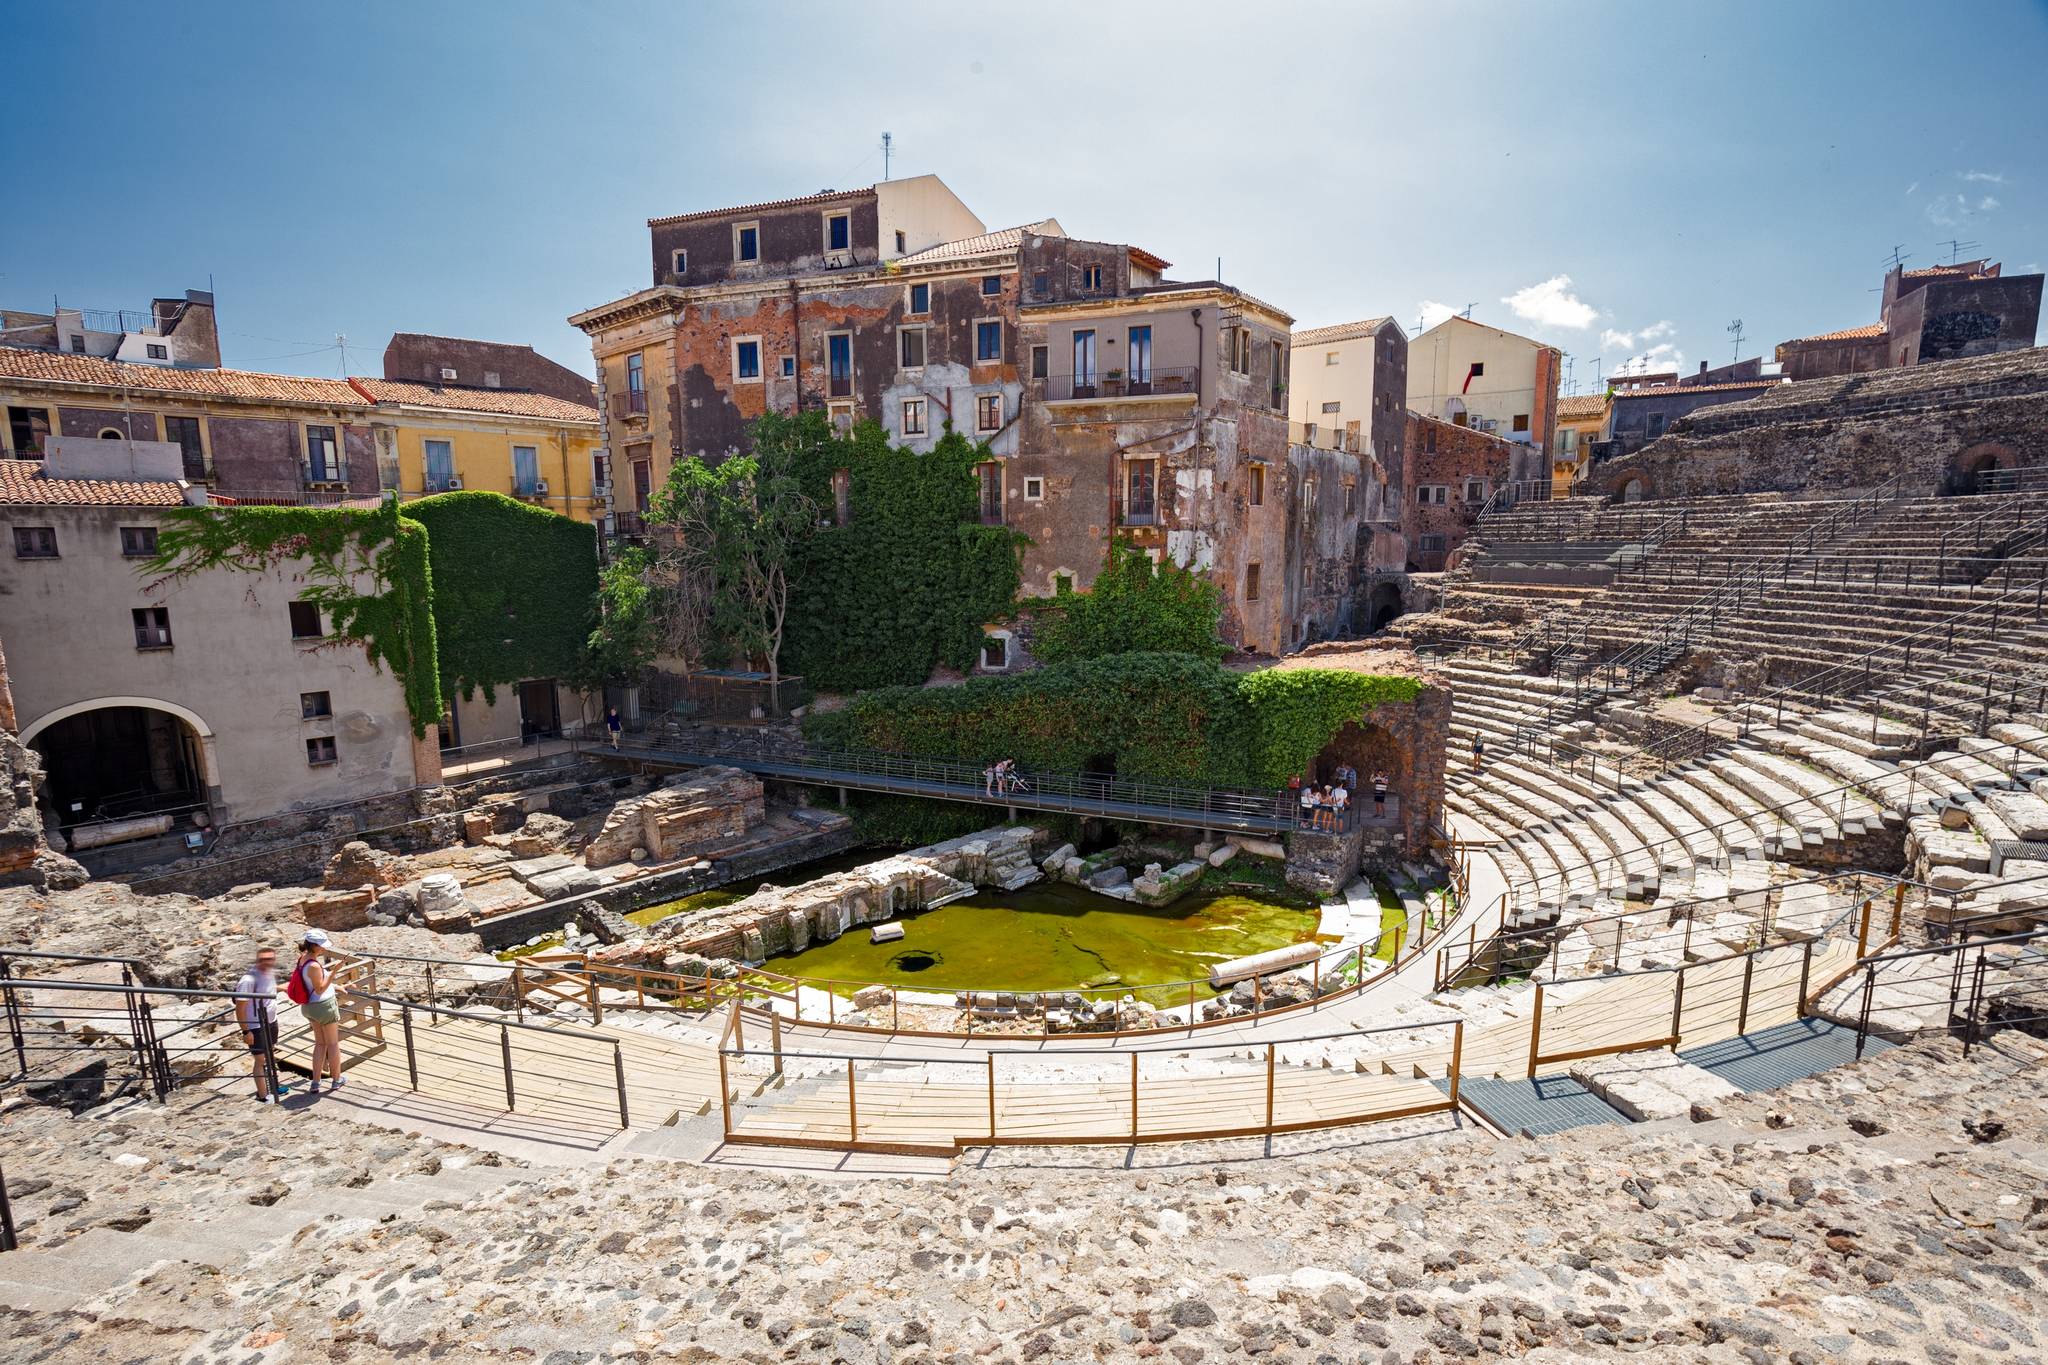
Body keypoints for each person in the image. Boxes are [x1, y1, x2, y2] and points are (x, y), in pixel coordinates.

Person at [292, 929, 347, 1094]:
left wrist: (337, 986)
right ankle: (336, 1079)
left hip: (309, 1007)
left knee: (320, 1044)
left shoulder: (302, 959)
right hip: (323, 1006)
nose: (324, 949)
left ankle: (315, 1082)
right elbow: (320, 988)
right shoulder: (314, 965)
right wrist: (335, 972)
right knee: (332, 1044)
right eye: (322, 946)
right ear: (314, 945)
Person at [234, 947, 288, 1103]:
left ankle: (274, 1086)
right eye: (263, 960)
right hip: (256, 1025)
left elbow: (268, 989)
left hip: (271, 1021)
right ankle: (263, 1096)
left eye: (270, 959)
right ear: (257, 960)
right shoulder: (248, 980)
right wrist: (246, 1031)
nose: (267, 962)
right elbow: (240, 1007)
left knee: (270, 1055)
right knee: (260, 1060)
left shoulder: (268, 973)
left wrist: (282, 988)